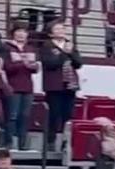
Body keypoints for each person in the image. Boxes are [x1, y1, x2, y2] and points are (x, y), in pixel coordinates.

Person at [41, 21, 83, 152]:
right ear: (51, 33)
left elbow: (78, 63)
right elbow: (50, 63)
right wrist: (64, 53)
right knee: (54, 114)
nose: (61, 31)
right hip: (54, 86)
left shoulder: (70, 45)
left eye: (62, 28)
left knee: (68, 115)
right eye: (57, 29)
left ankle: (66, 143)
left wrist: (70, 53)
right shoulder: (46, 46)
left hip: (70, 85)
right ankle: (50, 141)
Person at [3, 24, 40, 150]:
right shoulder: (7, 47)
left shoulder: (31, 48)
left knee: (25, 116)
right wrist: (22, 63)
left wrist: (31, 65)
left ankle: (22, 144)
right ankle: (10, 143)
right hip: (13, 86)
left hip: (28, 87)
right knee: (12, 115)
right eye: (18, 31)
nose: (21, 34)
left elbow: (35, 68)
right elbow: (7, 67)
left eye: (24, 31)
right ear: (13, 33)